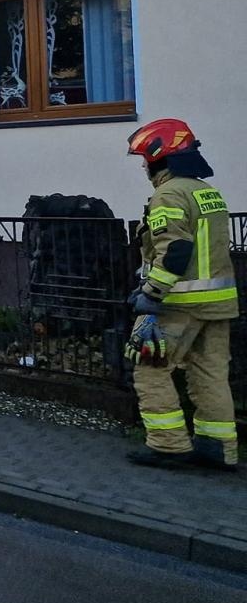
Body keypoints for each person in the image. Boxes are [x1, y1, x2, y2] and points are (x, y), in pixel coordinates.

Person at [125, 118, 238, 471]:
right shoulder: (206, 192)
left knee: (150, 368)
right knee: (210, 375)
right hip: (218, 304)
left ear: (162, 156)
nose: (144, 165)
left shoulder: (168, 193)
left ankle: (168, 445)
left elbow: (175, 249)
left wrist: (151, 293)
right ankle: (219, 449)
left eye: (146, 158)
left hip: (179, 304)